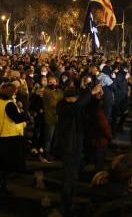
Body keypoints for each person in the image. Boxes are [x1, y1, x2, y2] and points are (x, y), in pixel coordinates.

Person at [56, 85, 102, 216]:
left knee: (71, 177)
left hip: (77, 147)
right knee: (71, 179)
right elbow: (77, 106)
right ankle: (67, 207)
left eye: (78, 97)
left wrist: (96, 97)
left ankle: (67, 203)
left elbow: (88, 108)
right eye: (75, 97)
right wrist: (90, 92)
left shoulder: (74, 107)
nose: (77, 99)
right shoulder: (64, 107)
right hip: (69, 147)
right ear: (67, 98)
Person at [0, 83, 29, 194]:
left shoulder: (0, 102)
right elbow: (17, 118)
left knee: (2, 162)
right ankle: (5, 186)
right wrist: (25, 114)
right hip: (10, 135)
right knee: (9, 164)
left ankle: (1, 181)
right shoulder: (9, 104)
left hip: (1, 134)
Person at [41, 76, 64, 163]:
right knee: (48, 138)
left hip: (58, 117)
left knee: (56, 137)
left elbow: (63, 98)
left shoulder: (59, 91)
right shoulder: (46, 92)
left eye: (54, 83)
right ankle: (46, 154)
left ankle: (53, 153)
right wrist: (60, 101)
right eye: (50, 83)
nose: (52, 84)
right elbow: (52, 103)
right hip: (50, 117)